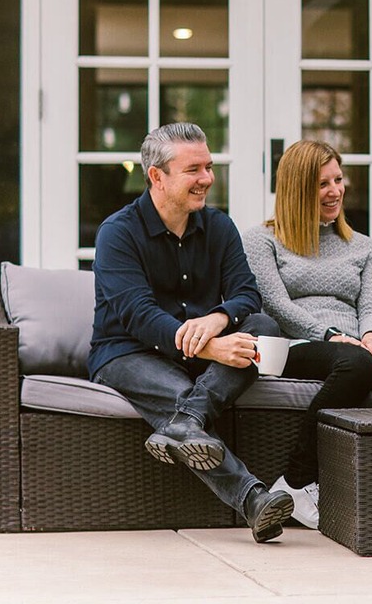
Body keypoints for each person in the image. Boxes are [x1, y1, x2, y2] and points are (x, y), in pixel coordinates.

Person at [88, 122, 294, 544]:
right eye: (194, 170)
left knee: (263, 329)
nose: (207, 179)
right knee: (180, 392)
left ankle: (185, 423)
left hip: (198, 348)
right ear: (157, 177)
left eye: (209, 166)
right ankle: (253, 499)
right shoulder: (118, 233)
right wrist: (213, 349)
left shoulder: (219, 226)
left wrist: (218, 321)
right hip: (128, 353)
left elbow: (246, 294)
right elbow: (138, 315)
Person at [243, 140, 372, 530]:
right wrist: (328, 334)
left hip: (354, 344)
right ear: (297, 188)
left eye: (338, 180)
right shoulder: (262, 240)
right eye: (322, 184)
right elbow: (276, 305)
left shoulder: (362, 247)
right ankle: (294, 481)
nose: (335, 191)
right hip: (295, 343)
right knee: (357, 362)